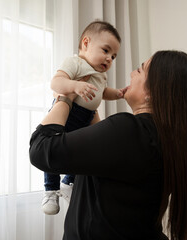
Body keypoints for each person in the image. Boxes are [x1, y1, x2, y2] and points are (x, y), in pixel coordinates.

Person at [30, 50, 187, 240]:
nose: (131, 73)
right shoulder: (168, 140)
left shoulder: (129, 130)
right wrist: (89, 107)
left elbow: (41, 149)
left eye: (140, 70)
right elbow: (108, 155)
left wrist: (64, 97)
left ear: (154, 92)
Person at [42, 20, 127, 215]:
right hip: (68, 115)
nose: (109, 59)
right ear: (86, 43)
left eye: (113, 56)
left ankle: (68, 182)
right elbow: (56, 83)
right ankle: (51, 190)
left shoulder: (99, 75)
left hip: (86, 119)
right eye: (106, 51)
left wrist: (118, 94)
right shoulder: (75, 63)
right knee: (53, 151)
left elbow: (103, 92)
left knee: (83, 153)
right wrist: (74, 86)